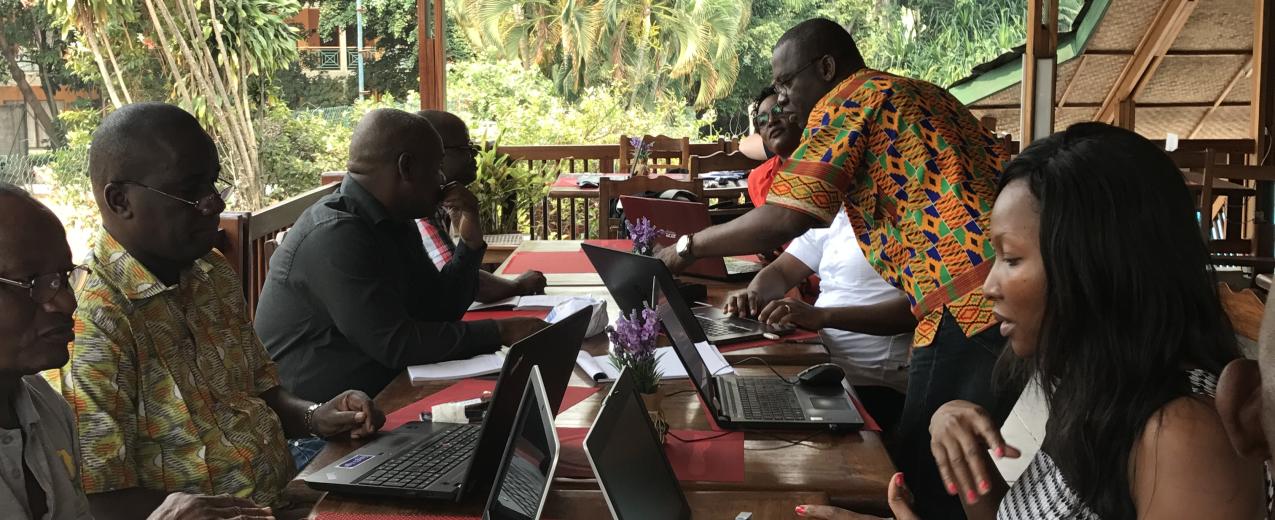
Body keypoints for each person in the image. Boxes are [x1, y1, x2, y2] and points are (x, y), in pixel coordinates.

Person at [799, 123, 1269, 519]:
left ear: (1093, 266)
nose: (988, 286)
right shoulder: (1091, 385)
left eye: (1010, 258)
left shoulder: (1184, 435)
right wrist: (973, 468)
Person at [656, 18, 1012, 517]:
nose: (781, 101)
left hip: (966, 301)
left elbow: (784, 218)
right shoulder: (918, 93)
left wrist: (685, 249)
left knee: (927, 473)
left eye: (786, 83)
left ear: (826, 67)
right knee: (954, 464)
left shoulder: (848, 99)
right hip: (1007, 288)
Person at [57, 103, 384, 519]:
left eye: (213, 184)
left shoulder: (210, 273)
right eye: (190, 191)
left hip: (291, 494)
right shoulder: (92, 319)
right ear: (120, 200)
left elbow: (262, 394)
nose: (212, 204)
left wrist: (318, 416)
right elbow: (97, 499)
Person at [255, 108, 547, 404]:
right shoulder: (335, 234)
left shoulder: (394, 221)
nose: (443, 180)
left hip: (385, 394)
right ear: (406, 167)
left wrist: (470, 245)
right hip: (320, 430)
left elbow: (439, 310)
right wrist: (501, 330)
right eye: (436, 169)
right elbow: (396, 344)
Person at [724, 206, 913, 431]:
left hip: (867, 381)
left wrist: (823, 317)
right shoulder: (838, 214)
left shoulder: (913, 219)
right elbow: (781, 272)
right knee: (734, 400)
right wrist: (753, 294)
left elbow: (918, 308)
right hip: (816, 362)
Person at [414, 110, 547, 302]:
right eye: (465, 147)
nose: (475, 153)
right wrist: (518, 285)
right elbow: (460, 284)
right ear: (437, 153)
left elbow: (462, 275)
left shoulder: (443, 200)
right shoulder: (419, 209)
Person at [741, 85, 802, 207]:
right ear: (761, 136)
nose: (771, 121)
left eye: (778, 111)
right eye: (762, 120)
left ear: (797, 116)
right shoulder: (758, 180)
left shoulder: (827, 160)